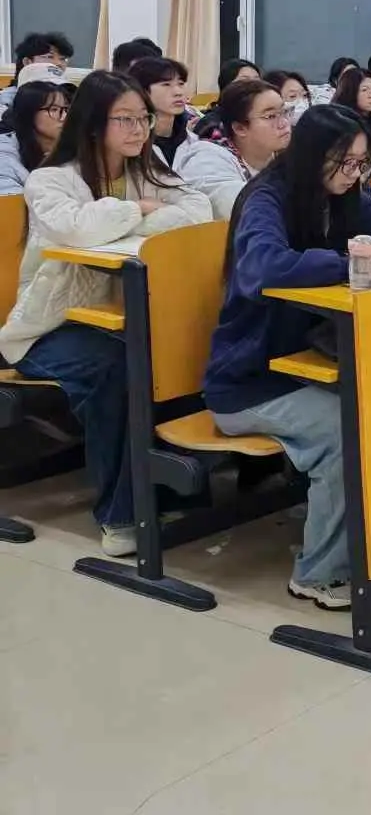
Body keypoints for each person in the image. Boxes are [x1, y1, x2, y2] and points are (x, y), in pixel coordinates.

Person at [203, 105, 371, 610]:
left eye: (362, 164)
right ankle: (322, 573)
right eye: (344, 163)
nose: (353, 175)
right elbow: (264, 265)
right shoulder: (267, 199)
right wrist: (351, 263)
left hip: (314, 364)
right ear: (310, 156)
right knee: (347, 429)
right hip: (251, 380)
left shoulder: (346, 195)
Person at [0, 70, 211, 555]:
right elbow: (75, 229)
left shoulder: (146, 166)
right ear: (94, 124)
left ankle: (169, 491)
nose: (138, 129)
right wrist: (139, 210)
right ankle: (121, 514)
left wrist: (138, 213)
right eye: (125, 119)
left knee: (173, 351)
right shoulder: (50, 179)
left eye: (143, 118)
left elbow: (197, 210)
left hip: (118, 318)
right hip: (50, 327)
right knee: (119, 368)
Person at [176, 79, 291, 219]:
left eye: (284, 112)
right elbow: (239, 206)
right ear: (239, 128)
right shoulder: (207, 158)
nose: (284, 123)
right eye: (270, 116)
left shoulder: (288, 153)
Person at [0, 79, 72, 195]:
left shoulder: (74, 146)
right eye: (54, 109)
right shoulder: (5, 155)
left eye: (66, 109)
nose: (64, 117)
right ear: (29, 113)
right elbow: (10, 202)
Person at [127, 56, 195, 168]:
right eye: (166, 84)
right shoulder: (129, 143)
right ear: (142, 91)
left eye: (181, 83)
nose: (178, 92)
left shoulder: (194, 142)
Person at [0, 32, 74, 115]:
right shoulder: (5, 101)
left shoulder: (69, 97)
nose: (58, 63)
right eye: (49, 57)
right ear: (27, 62)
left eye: (63, 59)